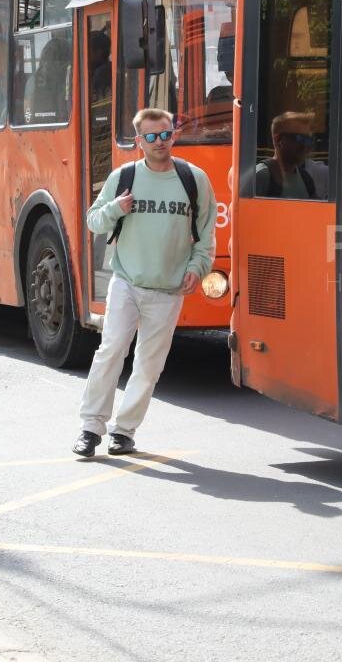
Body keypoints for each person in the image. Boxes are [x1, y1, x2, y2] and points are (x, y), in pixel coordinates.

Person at [73, 108, 216, 457]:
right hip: (126, 282)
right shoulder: (124, 177)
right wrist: (115, 210)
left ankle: (124, 432)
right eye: (151, 137)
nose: (159, 142)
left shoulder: (193, 179)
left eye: (165, 134)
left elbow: (206, 235)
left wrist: (197, 268)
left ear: (174, 135)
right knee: (110, 352)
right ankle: (91, 428)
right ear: (139, 142)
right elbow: (93, 221)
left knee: (149, 365)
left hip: (168, 290)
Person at [254, 111, 329, 199]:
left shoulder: (306, 178)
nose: (305, 146)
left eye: (309, 140)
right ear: (278, 140)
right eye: (300, 138)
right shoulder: (262, 176)